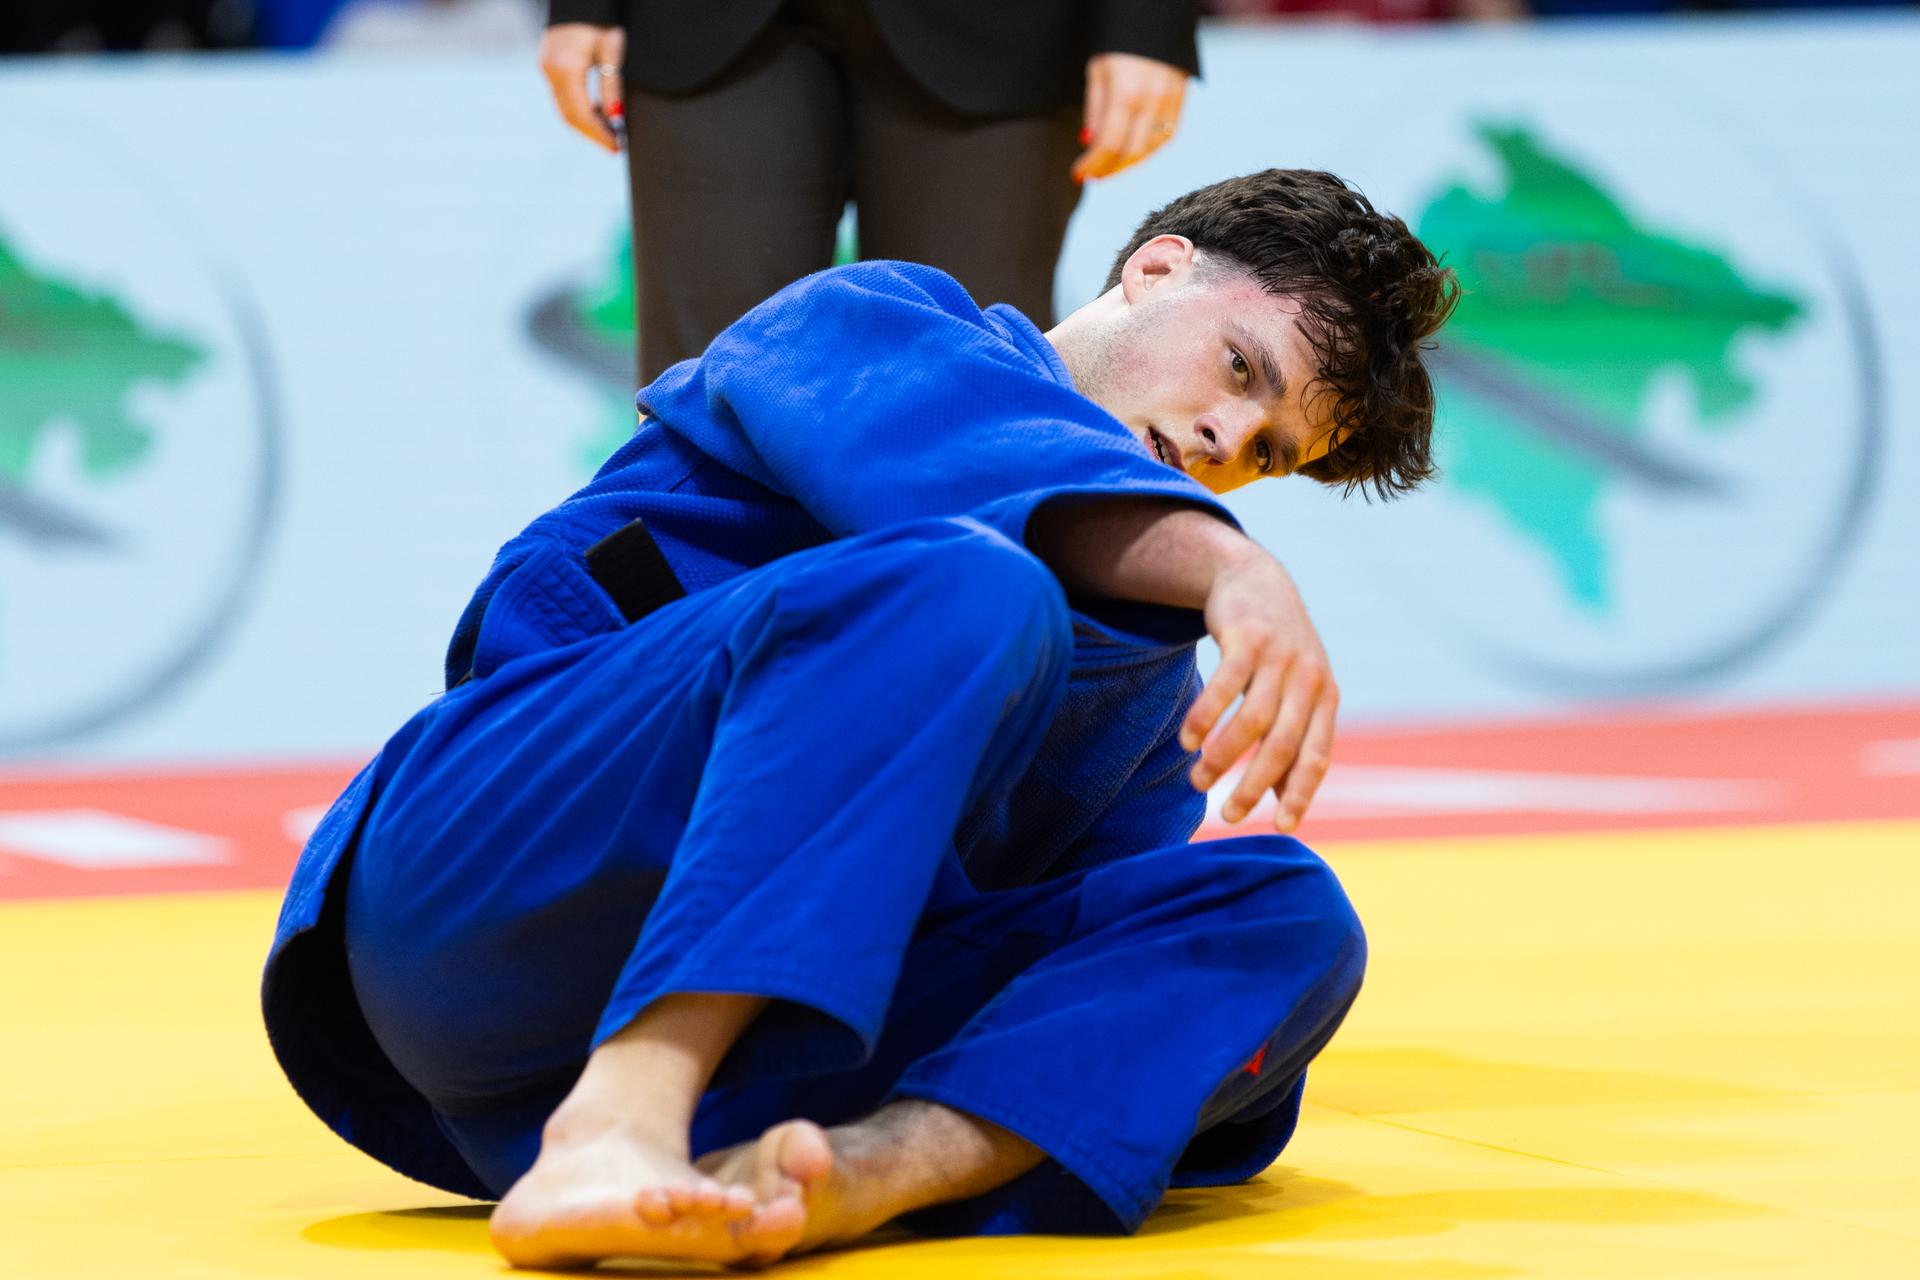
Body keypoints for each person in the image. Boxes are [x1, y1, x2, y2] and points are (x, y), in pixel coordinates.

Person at [262, 168, 1458, 1269]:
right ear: (1155, 268)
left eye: (1267, 453)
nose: (1222, 442)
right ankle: (620, 1113)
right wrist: (1234, 572)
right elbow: (990, 485)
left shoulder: (1149, 693)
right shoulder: (875, 320)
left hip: (765, 1074)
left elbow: (1048, 973)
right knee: (969, 582)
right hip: (488, 905)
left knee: (1284, 915)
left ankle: (848, 1179)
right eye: (1241, 371)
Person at [537, 0, 1201, 382]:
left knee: (965, 404)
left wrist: (1147, 19)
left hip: (1007, 28)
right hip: (701, 20)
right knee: (704, 402)